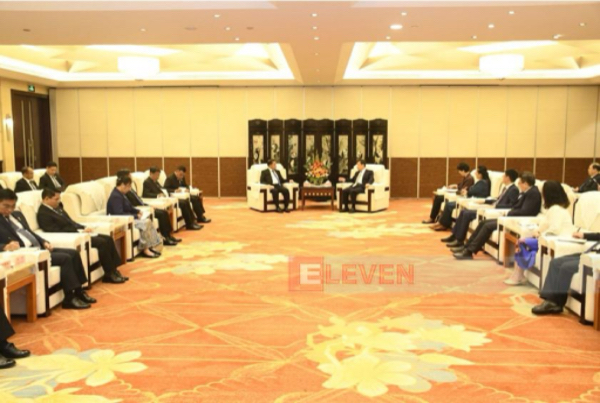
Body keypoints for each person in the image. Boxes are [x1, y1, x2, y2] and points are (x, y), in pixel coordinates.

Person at [0, 189, 93, 309]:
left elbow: (30, 232)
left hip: (38, 248)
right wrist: (4, 246)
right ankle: (69, 298)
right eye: (6, 206)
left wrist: (44, 241)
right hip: (28, 254)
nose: (9, 210)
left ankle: (79, 291)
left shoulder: (17, 215)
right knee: (65, 258)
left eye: (12, 206)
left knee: (73, 253)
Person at [37, 188, 128, 284]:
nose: (58, 201)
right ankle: (109, 274)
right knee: (101, 243)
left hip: (78, 231)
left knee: (108, 238)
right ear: (46, 199)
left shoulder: (57, 208)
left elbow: (71, 222)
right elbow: (53, 230)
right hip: (72, 236)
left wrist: (83, 227)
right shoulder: (43, 213)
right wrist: (78, 231)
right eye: (56, 199)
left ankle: (114, 270)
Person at [453, 171, 542, 260]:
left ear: (525, 184)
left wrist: (508, 213)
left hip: (516, 220)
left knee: (487, 226)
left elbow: (525, 211)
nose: (518, 185)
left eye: (520, 183)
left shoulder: (533, 193)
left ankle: (469, 251)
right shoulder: (527, 192)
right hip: (510, 217)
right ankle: (466, 247)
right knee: (484, 222)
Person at [505, 181, 574, 285]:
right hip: (551, 239)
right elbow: (545, 226)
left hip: (557, 241)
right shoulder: (555, 208)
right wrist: (537, 231)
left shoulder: (556, 209)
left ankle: (518, 275)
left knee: (522, 242)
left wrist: (539, 234)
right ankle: (518, 274)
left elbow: (554, 230)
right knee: (523, 239)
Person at [443, 169, 520, 248]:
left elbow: (511, 205)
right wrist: (485, 201)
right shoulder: (506, 188)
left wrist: (496, 206)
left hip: (495, 212)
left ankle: (459, 240)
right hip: (491, 207)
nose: (502, 177)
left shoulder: (513, 189)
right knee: (464, 211)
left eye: (504, 175)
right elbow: (498, 200)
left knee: (466, 214)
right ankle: (454, 236)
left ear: (508, 177)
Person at [531, 232, 600, 315]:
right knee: (555, 263)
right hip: (591, 253)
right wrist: (584, 235)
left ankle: (557, 303)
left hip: (595, 259)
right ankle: (549, 300)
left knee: (566, 267)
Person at [117, 169, 180, 246]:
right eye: (129, 176)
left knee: (164, 212)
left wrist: (148, 205)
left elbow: (138, 199)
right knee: (161, 214)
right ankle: (165, 238)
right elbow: (131, 205)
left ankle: (169, 235)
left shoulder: (130, 188)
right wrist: (142, 209)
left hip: (143, 205)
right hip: (140, 209)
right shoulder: (123, 191)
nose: (131, 177)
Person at [107, 177, 161, 259]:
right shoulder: (116, 196)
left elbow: (129, 206)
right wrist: (135, 216)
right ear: (123, 185)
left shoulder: (121, 194)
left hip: (129, 218)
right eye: (128, 186)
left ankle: (150, 246)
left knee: (148, 221)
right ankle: (145, 249)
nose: (129, 189)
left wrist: (137, 211)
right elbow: (119, 213)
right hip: (121, 221)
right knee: (144, 223)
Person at [433, 166, 491, 231]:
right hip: (470, 199)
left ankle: (443, 225)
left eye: (476, 172)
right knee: (449, 204)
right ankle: (441, 223)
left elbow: (472, 191)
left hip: (473, 200)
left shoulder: (482, 182)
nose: (475, 174)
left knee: (449, 205)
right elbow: (470, 189)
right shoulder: (482, 181)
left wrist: (466, 191)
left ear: (480, 174)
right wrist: (466, 191)